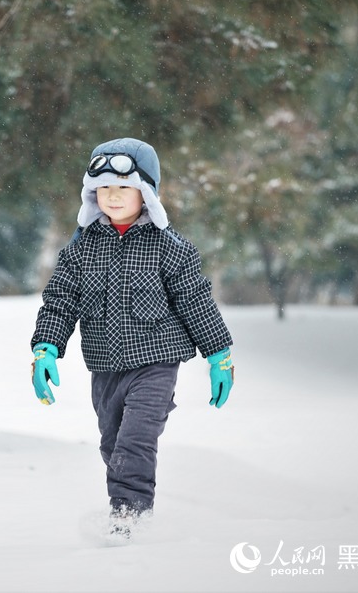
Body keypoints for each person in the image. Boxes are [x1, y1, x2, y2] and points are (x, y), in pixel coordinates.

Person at [30, 137, 234, 538]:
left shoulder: (169, 248)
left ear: (147, 192)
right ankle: (127, 502)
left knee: (135, 440)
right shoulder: (81, 249)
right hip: (105, 368)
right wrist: (46, 347)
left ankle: (129, 515)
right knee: (112, 443)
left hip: (155, 364)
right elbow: (60, 300)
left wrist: (219, 355)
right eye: (104, 187)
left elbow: (195, 300)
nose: (113, 195)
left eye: (123, 187)